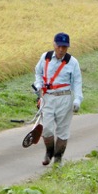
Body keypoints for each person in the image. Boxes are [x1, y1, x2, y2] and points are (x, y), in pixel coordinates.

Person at [34, 32, 83, 166]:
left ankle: (58, 159)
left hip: (64, 98)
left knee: (62, 131)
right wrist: (38, 85)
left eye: (65, 47)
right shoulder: (45, 57)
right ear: (54, 45)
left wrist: (77, 99)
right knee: (47, 129)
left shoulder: (73, 62)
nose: (61, 50)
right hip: (48, 97)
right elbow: (38, 72)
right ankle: (49, 152)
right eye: (59, 46)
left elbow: (77, 82)